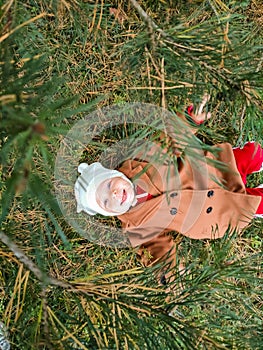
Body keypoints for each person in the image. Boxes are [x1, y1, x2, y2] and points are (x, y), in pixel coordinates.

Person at [74, 97, 263, 284]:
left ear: (114, 173)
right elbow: (155, 249)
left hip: (214, 168)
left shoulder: (142, 160)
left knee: (252, 153)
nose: (113, 195)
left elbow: (169, 141)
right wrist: (169, 272)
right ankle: (253, 199)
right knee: (251, 205)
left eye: (108, 185)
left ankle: (257, 160)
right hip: (216, 213)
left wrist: (189, 120)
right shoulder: (136, 225)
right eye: (106, 202)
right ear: (108, 213)